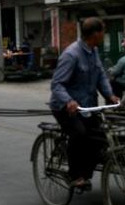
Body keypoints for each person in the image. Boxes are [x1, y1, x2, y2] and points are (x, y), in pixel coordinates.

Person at [49, 18, 119, 191]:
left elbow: (101, 75)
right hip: (65, 107)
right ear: (95, 34)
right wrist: (68, 101)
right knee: (79, 134)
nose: (104, 35)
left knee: (100, 138)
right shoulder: (71, 54)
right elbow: (57, 84)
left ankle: (85, 175)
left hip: (87, 106)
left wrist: (110, 95)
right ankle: (75, 175)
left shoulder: (93, 51)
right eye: (103, 32)